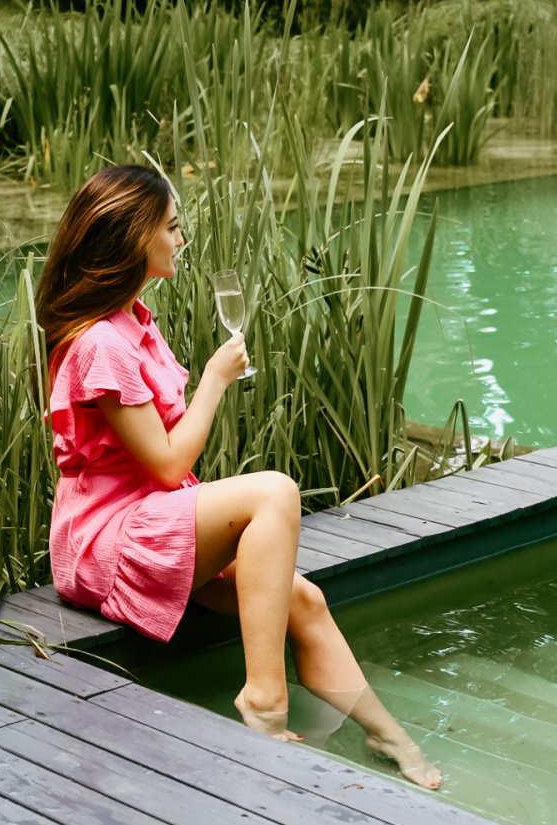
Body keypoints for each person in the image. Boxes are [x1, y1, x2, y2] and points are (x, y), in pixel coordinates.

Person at [35, 164, 442, 790]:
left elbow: (167, 468)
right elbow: (169, 462)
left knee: (301, 598)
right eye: (171, 228)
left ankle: (384, 731)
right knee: (274, 490)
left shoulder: (135, 324)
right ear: (134, 237)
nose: (180, 239)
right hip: (108, 543)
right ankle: (263, 699)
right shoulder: (100, 345)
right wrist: (216, 380)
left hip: (154, 520)